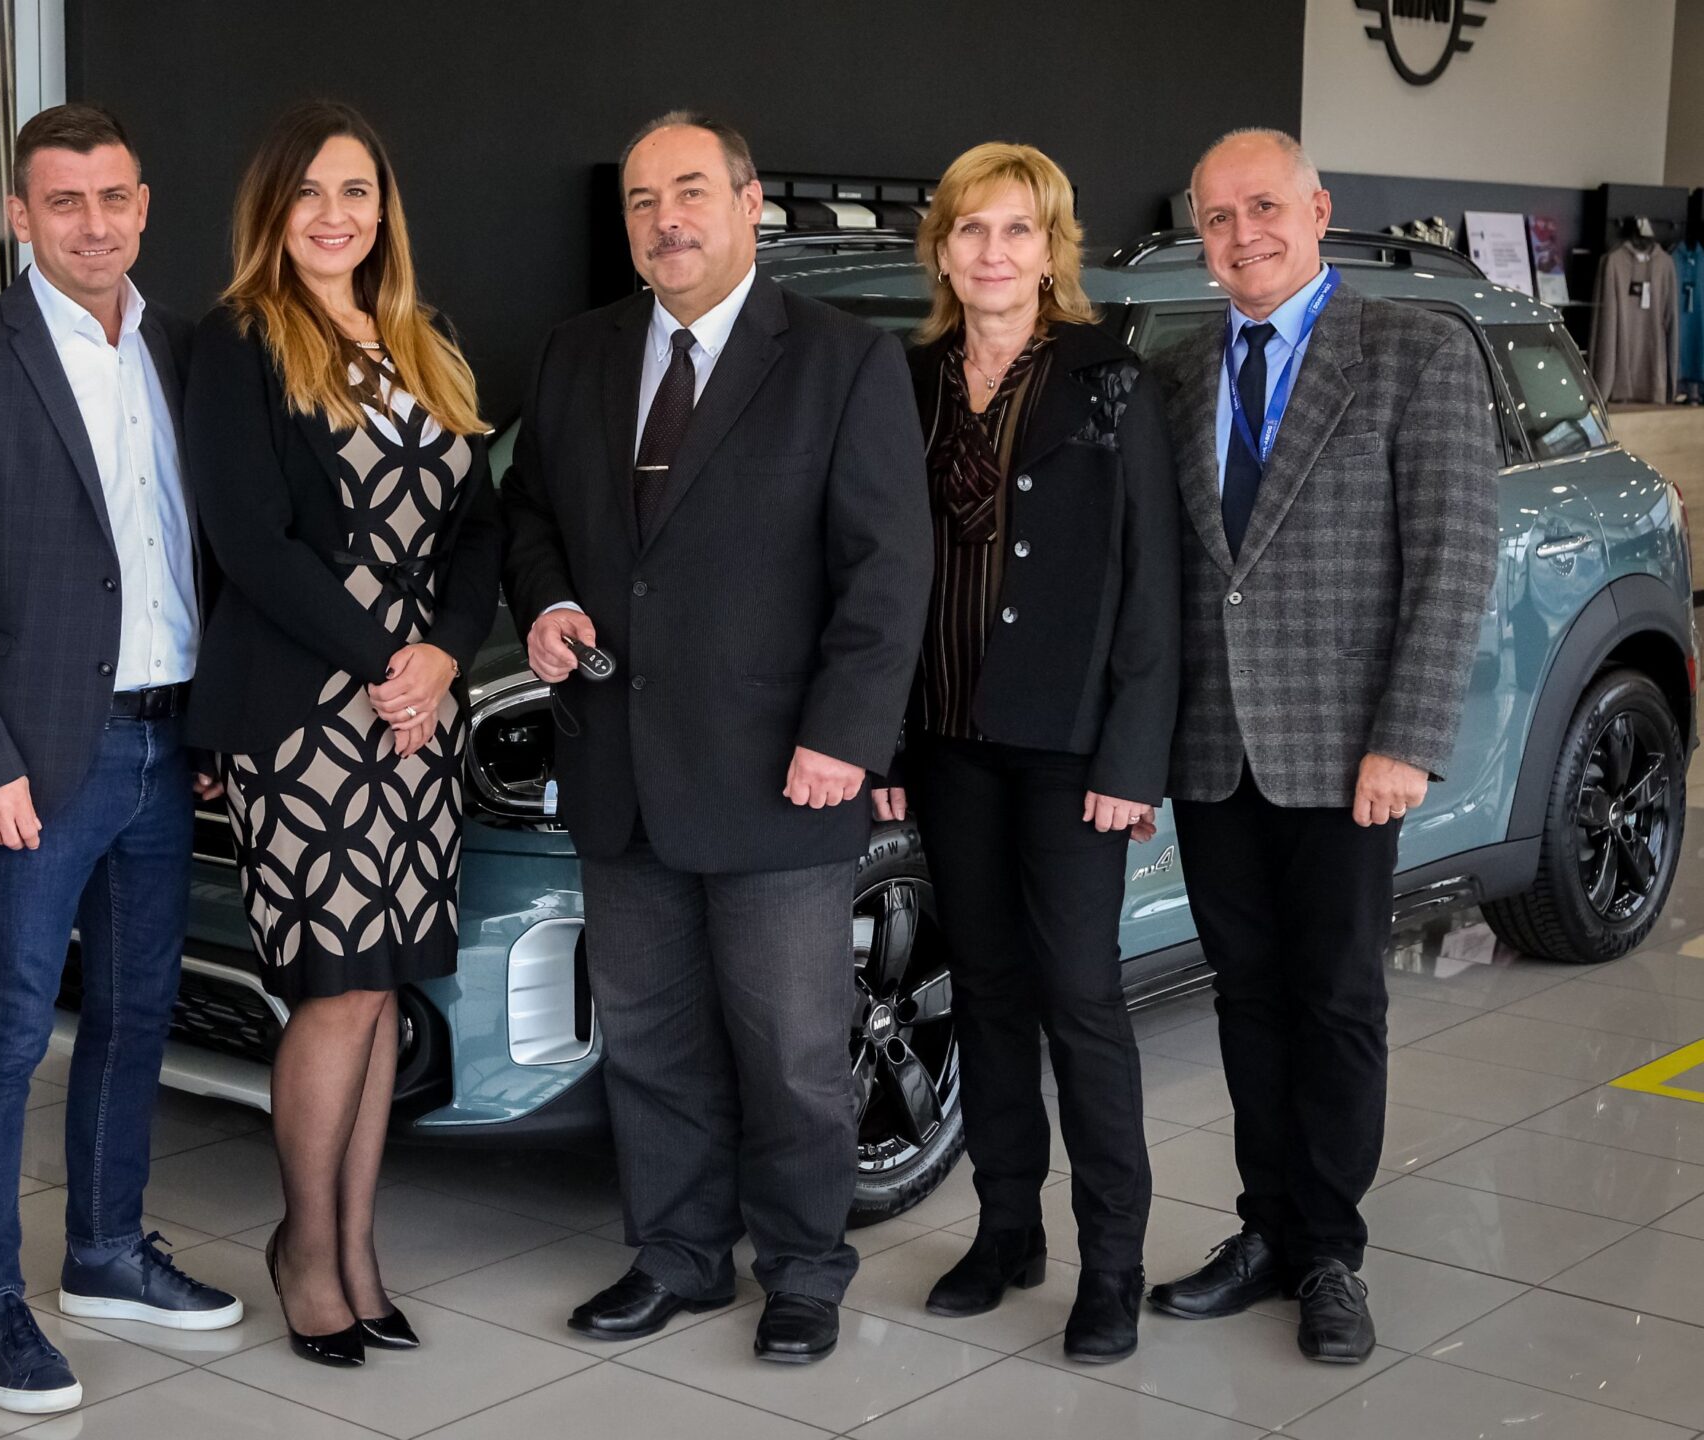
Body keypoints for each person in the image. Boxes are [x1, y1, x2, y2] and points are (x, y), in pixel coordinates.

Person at [501, 110, 930, 1366]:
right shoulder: (576, 352)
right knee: (649, 1042)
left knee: (792, 1053)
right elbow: (529, 514)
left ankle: (802, 1269)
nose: (665, 220)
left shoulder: (843, 360)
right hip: (619, 764)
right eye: (642, 201)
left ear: (751, 205)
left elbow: (886, 569)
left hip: (781, 774)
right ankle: (678, 1256)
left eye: (690, 192)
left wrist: (846, 736)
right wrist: (547, 602)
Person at [0, 103, 243, 1417]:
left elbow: (211, 550)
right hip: (30, 762)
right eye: (64, 201)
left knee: (139, 1016)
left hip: (165, 740)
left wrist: (214, 724)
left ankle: (105, 1252)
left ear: (145, 206)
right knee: (7, 1032)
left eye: (114, 197)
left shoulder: (186, 353)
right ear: (20, 216)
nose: (94, 223)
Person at [1144, 129, 1497, 1363]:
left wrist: (1406, 736)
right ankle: (1265, 1228)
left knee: (1337, 999)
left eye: (1262, 208)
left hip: (1348, 751)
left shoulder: (1413, 350)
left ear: (1315, 209)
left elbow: (1453, 558)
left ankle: (1329, 1253)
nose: (1242, 235)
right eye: (1217, 217)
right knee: (1245, 996)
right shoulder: (1176, 372)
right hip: (1211, 747)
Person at [184, 100, 501, 1368]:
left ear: (384, 209)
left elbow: (479, 523)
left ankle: (357, 1249)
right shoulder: (239, 340)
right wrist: (386, 662)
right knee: (333, 987)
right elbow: (249, 541)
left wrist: (442, 655)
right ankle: (304, 1252)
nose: (335, 215)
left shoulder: (427, 337)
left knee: (379, 994)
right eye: (310, 191)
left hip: (416, 717)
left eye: (357, 191)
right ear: (272, 208)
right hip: (305, 715)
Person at [865, 142, 1179, 1364]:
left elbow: (1151, 585)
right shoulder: (907, 382)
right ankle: (1006, 1233)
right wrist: (884, 737)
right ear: (940, 250)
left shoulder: (1109, 383)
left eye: (1016, 230)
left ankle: (1113, 1265)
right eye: (969, 229)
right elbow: (880, 574)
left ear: (1052, 252)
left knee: (1079, 1000)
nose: (991, 252)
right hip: (948, 740)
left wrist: (1131, 762)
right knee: (987, 994)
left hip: (1069, 751)